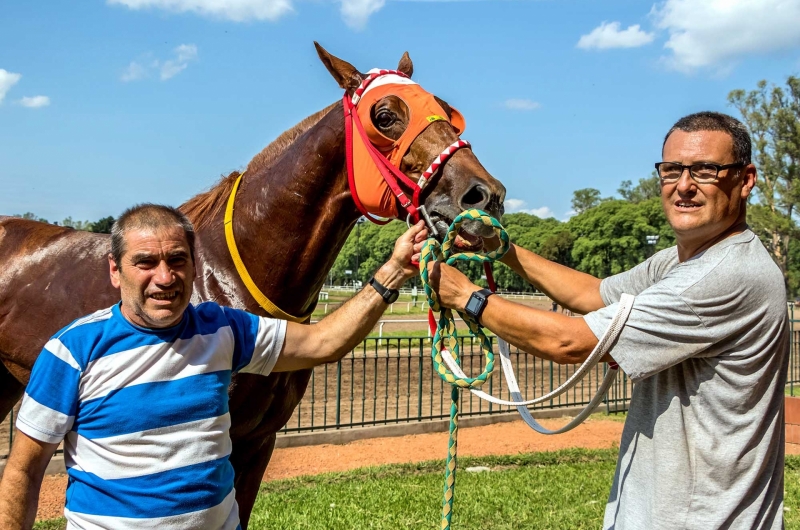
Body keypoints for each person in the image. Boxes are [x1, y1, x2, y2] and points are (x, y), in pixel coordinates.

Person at [427, 112, 788, 529]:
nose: (684, 185)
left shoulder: (727, 274)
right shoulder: (680, 260)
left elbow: (571, 343)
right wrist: (500, 247)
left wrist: (464, 295)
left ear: (745, 179)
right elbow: (591, 294)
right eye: (672, 169)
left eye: (706, 170)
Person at [0, 204, 427, 530]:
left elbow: (323, 342)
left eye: (177, 260)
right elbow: (24, 470)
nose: (165, 277)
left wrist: (393, 271)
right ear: (116, 271)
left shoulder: (224, 327)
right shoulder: (71, 351)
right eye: (145, 262)